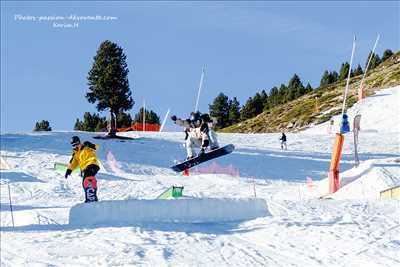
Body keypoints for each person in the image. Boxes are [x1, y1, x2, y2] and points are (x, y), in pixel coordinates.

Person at [65, 136, 100, 202]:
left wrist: (90, 145)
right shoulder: (76, 153)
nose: (75, 146)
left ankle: (91, 198)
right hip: (85, 168)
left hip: (92, 164)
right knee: (85, 182)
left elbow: (96, 147)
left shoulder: (85, 146)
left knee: (88, 179)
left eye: (77, 144)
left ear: (79, 142)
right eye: (73, 145)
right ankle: (92, 197)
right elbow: (74, 163)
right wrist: (69, 170)